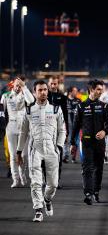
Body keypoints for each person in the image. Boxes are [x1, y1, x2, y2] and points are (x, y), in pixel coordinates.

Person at [16, 80, 66, 222]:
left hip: (52, 149)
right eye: (40, 90)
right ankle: (38, 210)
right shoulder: (29, 110)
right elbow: (23, 133)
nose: (43, 92)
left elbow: (63, 130)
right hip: (35, 149)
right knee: (36, 182)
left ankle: (47, 199)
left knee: (53, 184)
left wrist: (59, 147)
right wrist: (19, 152)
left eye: (45, 89)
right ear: (34, 92)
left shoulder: (56, 109)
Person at [70, 80, 108, 205]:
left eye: (101, 89)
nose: (101, 92)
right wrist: (73, 142)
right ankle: (88, 194)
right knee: (87, 168)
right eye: (99, 89)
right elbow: (75, 126)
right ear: (92, 90)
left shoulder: (105, 106)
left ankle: (96, 191)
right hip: (86, 142)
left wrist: (105, 132)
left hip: (100, 143)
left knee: (98, 168)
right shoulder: (81, 106)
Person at [1, 77, 34, 188]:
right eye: (17, 85)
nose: (18, 87)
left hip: (24, 127)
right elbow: (1, 113)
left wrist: (24, 87)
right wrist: (2, 127)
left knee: (24, 155)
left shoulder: (25, 94)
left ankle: (22, 174)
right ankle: (15, 179)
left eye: (20, 85)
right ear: (12, 85)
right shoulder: (5, 96)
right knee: (13, 155)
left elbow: (31, 101)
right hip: (11, 126)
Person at [47, 76, 68, 188]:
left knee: (58, 157)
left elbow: (65, 114)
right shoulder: (44, 96)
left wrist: (67, 130)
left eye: (55, 84)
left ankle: (56, 181)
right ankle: (47, 180)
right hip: (46, 130)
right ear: (48, 84)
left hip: (59, 130)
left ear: (58, 84)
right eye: (52, 83)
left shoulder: (63, 97)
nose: (53, 85)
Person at [63, 86, 81, 163]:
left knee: (76, 141)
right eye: (75, 91)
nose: (76, 92)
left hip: (76, 124)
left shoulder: (78, 101)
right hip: (66, 124)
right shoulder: (64, 100)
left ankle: (73, 157)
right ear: (70, 92)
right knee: (66, 140)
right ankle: (65, 156)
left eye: (76, 91)